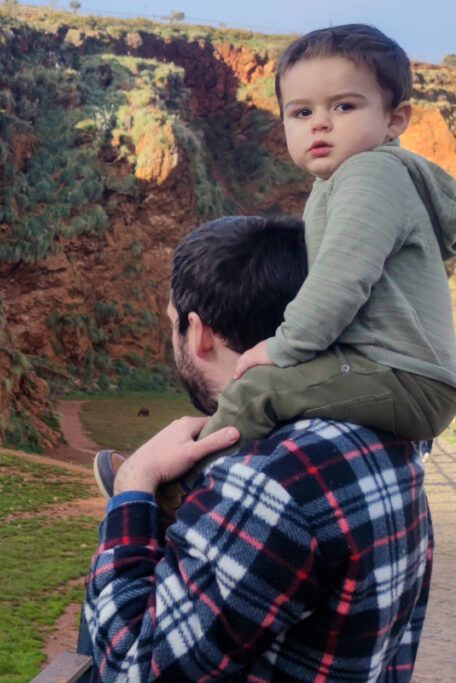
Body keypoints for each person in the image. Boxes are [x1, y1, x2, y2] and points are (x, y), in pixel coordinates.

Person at [97, 24, 456, 495]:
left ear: (395, 119)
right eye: (302, 111)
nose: (320, 124)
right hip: (395, 372)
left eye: (344, 106)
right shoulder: (347, 182)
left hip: (404, 378)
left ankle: (184, 490)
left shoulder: (370, 175)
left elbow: (340, 282)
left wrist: (283, 347)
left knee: (258, 389)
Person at [80, 215, 432, 681]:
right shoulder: (389, 437)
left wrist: (133, 484)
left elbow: (133, 669)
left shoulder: (271, 480)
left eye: (173, 325)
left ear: (200, 333)